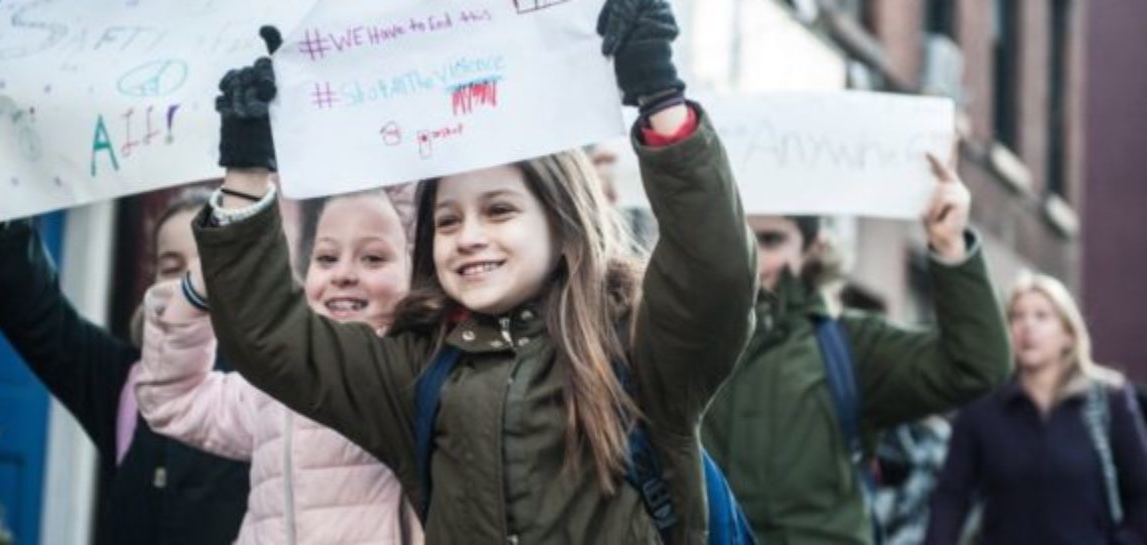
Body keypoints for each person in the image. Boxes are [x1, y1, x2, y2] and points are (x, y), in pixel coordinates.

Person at [178, 1, 758, 541]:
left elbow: (716, 275)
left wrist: (660, 99)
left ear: (563, 224)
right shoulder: (417, 371)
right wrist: (247, 171)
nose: (470, 237)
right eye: (448, 222)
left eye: (499, 210)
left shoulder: (636, 343)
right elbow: (268, 337)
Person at [0, 87, 250, 545]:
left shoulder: (279, 393)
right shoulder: (126, 383)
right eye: (170, 265)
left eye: (208, 265)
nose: (190, 281)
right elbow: (34, 310)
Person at [700, 154, 1015, 544]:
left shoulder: (851, 344)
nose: (750, 258)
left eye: (769, 240)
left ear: (813, 247)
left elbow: (977, 364)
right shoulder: (681, 344)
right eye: (736, 237)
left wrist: (950, 246)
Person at [134, 189, 424, 545]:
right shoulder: (275, 382)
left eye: (374, 258)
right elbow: (171, 401)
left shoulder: (420, 373)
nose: (343, 274)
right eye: (327, 257)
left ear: (416, 272)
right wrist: (198, 287)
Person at [925, 272, 1147, 545]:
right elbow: (951, 495)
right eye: (1017, 317)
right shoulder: (982, 409)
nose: (1027, 326)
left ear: (1068, 334)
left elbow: (1141, 494)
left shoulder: (1109, 400)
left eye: (1042, 316)